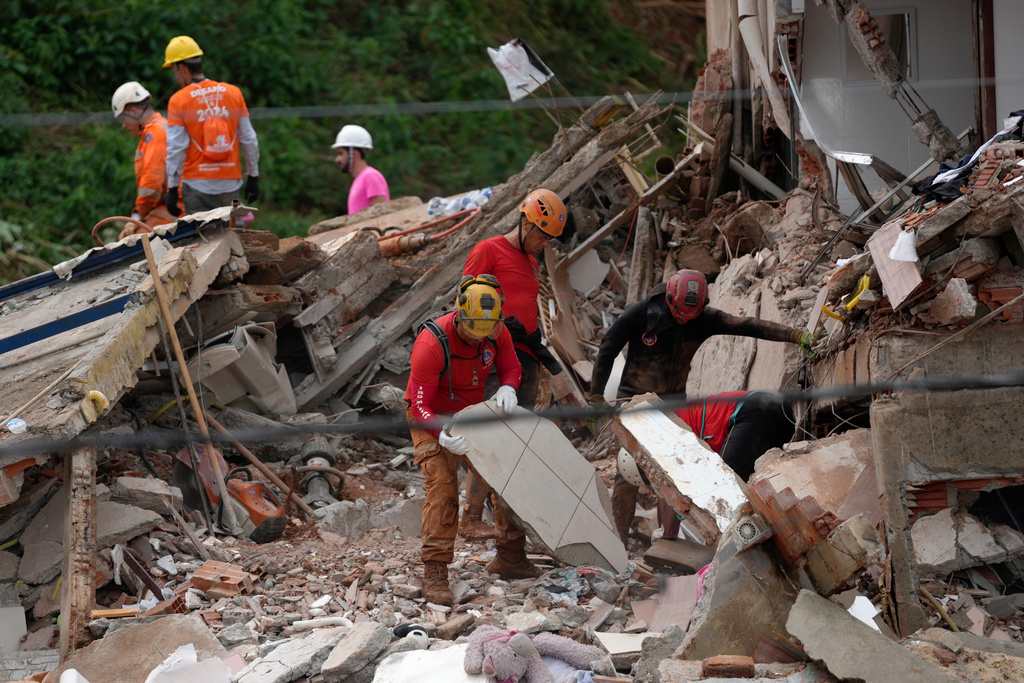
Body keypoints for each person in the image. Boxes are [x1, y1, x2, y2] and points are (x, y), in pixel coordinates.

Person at [589, 268, 820, 544]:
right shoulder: (642, 313)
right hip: (634, 403)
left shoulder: (704, 319)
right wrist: (595, 396)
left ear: (701, 307)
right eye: (678, 314)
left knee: (672, 470)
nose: (684, 320)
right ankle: (618, 542)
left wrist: (795, 335)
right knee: (627, 471)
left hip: (674, 404)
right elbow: (608, 347)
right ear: (670, 299)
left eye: (691, 316)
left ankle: (669, 539)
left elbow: (747, 325)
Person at [404, 274, 539, 605]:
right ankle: (435, 570)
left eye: (485, 333)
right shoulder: (431, 344)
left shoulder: (495, 330)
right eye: (471, 331)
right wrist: (440, 435)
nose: (478, 337)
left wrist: (508, 387)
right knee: (443, 487)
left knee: (508, 476)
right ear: (460, 313)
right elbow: (419, 405)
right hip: (430, 415)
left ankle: (510, 557)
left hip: (473, 413)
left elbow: (511, 367)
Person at [457, 189, 567, 540]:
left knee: (517, 444)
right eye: (542, 236)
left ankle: (509, 541)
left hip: (526, 358)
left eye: (550, 240)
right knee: (493, 437)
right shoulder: (488, 250)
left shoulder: (531, 262)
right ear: (525, 223)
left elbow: (528, 311)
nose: (544, 245)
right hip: (494, 356)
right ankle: (471, 516)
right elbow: (466, 302)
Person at [621, 391, 796, 541]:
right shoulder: (669, 430)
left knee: (727, 490)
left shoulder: (659, 440)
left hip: (753, 411)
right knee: (754, 488)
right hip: (779, 411)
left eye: (647, 476)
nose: (652, 479)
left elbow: (667, 486)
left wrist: (667, 534)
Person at [162, 36, 260, 216]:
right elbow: (249, 139)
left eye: (174, 71)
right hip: (230, 184)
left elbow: (176, 149)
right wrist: (253, 176)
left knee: (200, 233)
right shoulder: (234, 93)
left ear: (181, 68)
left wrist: (173, 188)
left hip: (196, 185)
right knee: (233, 231)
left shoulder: (179, 100)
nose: (176, 76)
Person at [111, 81, 177, 238]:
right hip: (173, 203)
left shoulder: (154, 134)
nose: (124, 126)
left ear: (134, 112)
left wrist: (137, 216)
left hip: (175, 208)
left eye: (123, 119)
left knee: (129, 244)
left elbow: (151, 184)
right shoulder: (162, 127)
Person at [331, 124, 389, 215]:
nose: (337, 159)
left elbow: (381, 215)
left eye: (341, 153)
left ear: (354, 154)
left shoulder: (370, 176)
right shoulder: (360, 179)